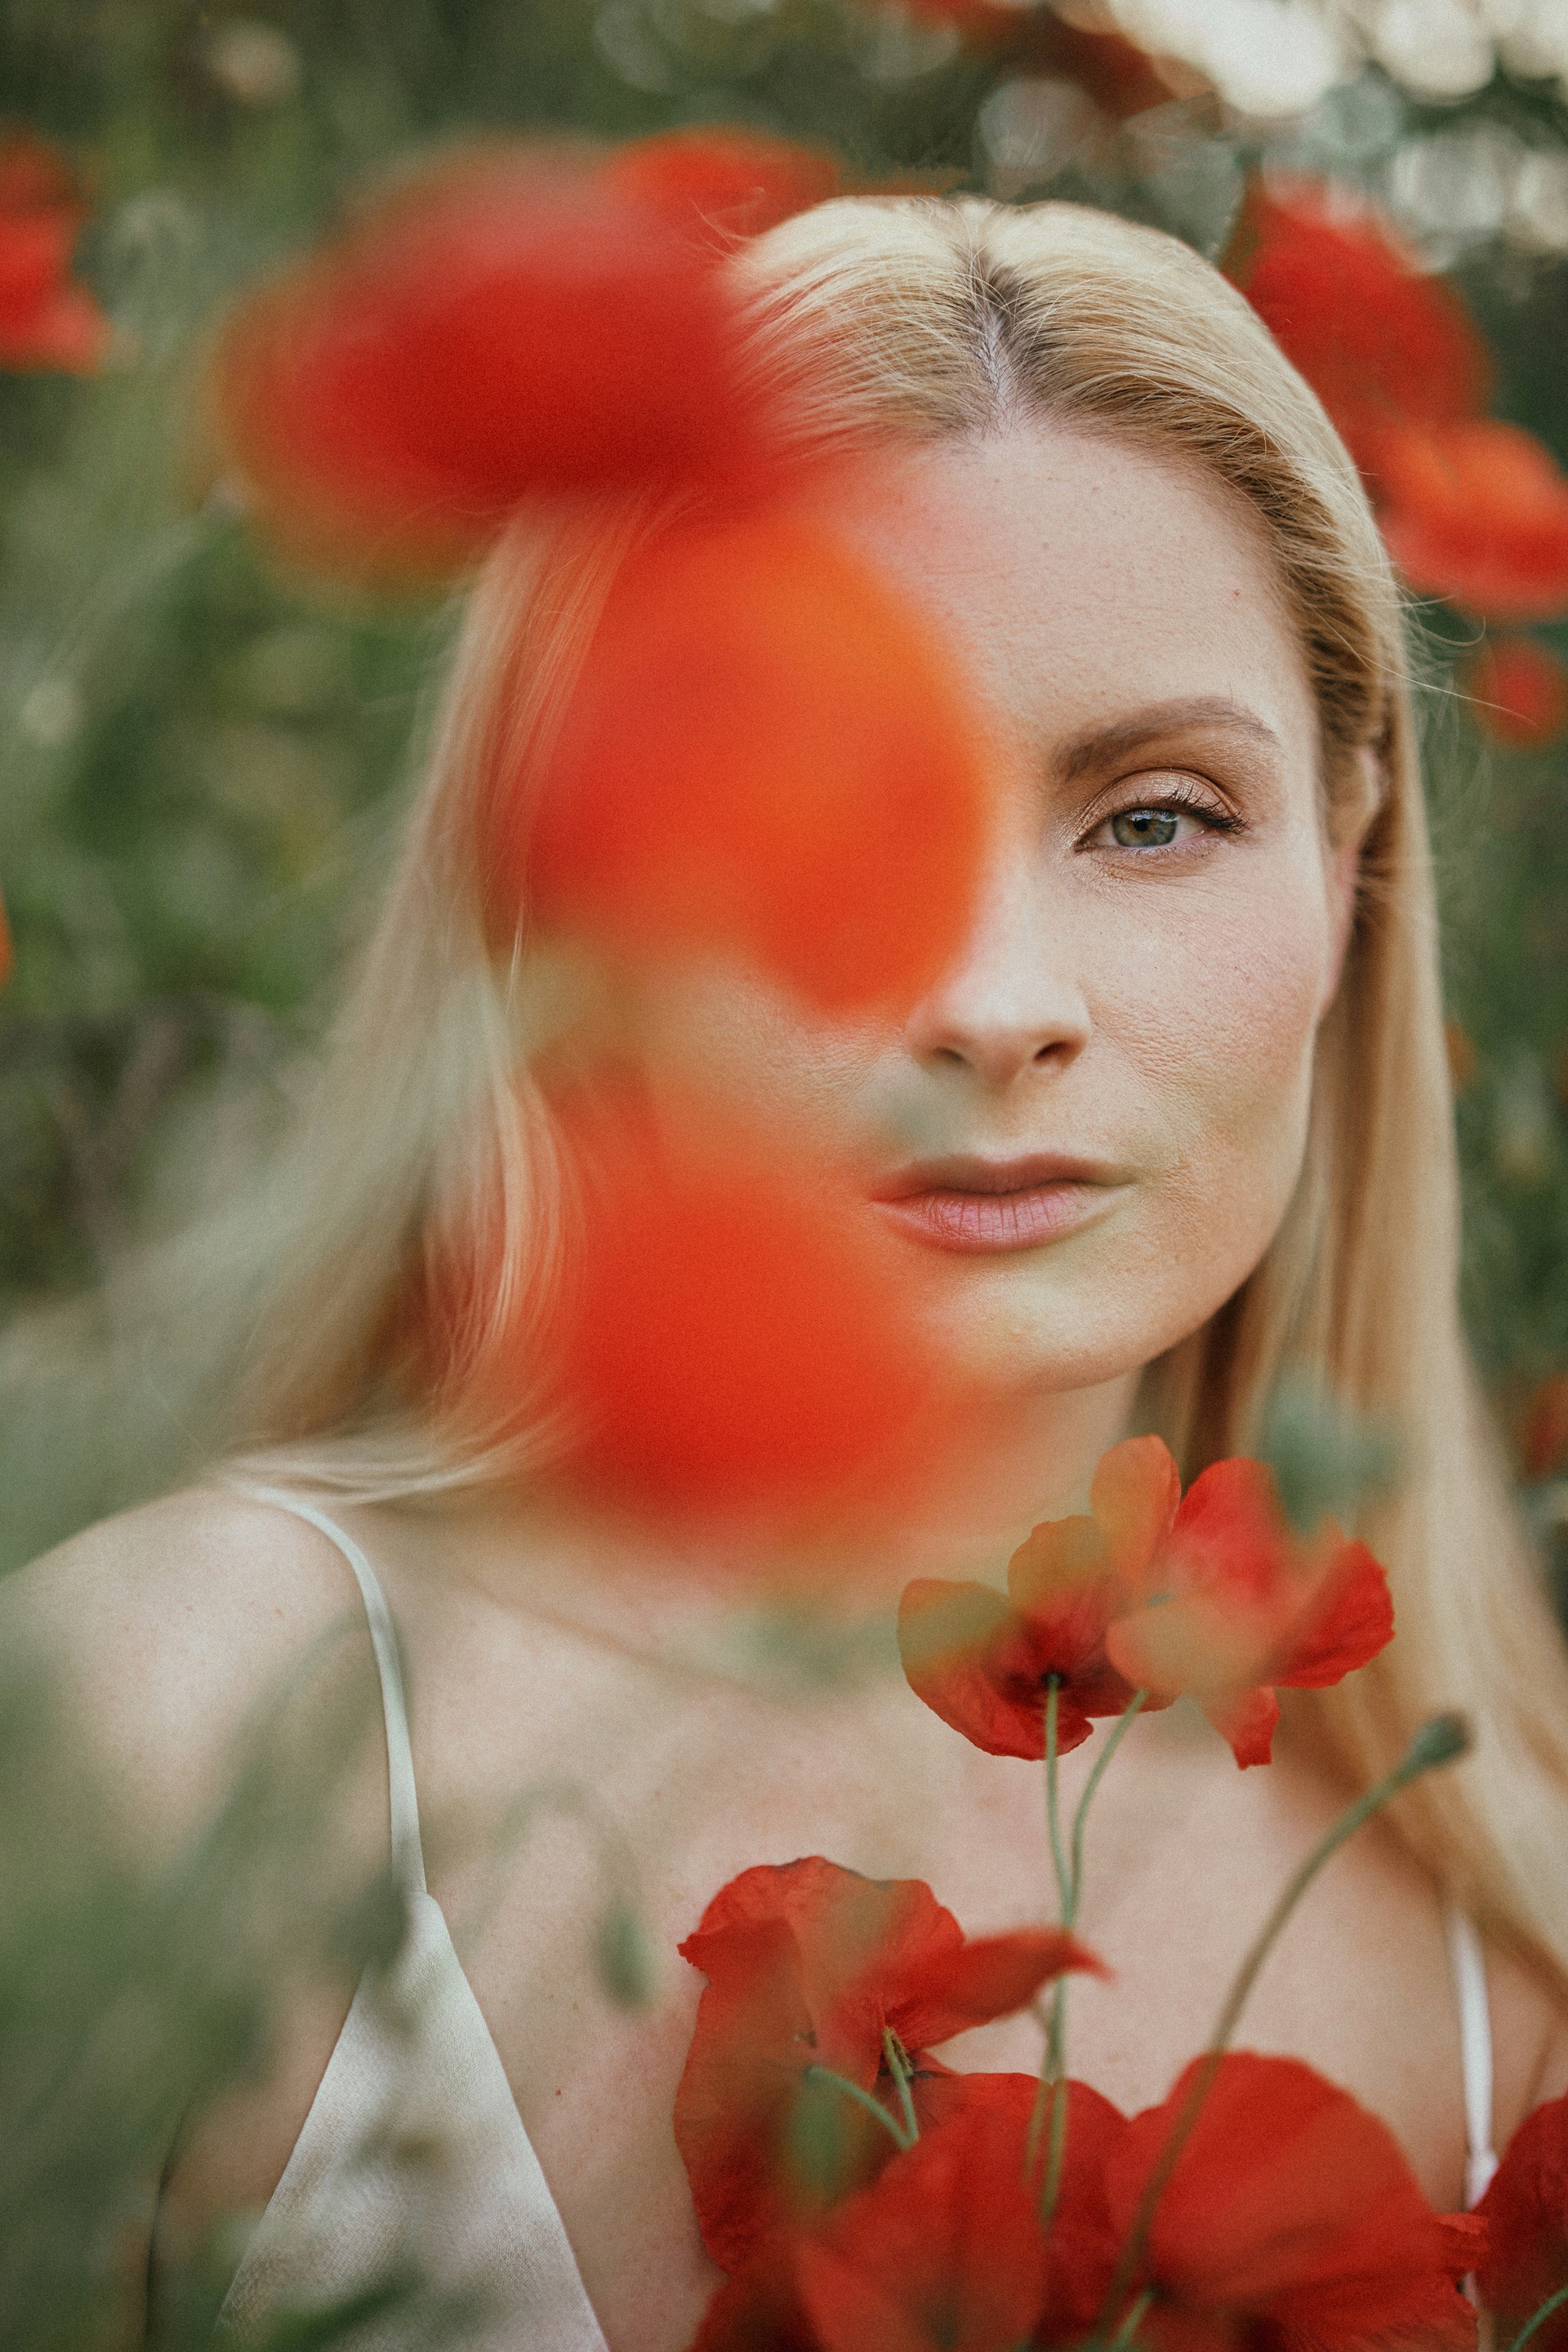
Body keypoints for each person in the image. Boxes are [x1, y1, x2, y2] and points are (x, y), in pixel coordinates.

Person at [10, 189, 1568, 2351]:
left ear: (1351, 845)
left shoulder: (1509, 1921)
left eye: (1155, 817)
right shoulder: (169, 1737)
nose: (994, 1002)